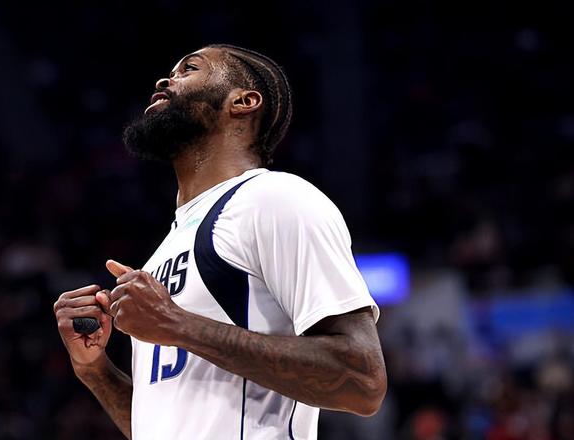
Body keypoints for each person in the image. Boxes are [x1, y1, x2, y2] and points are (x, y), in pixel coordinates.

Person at [53, 44, 386, 440]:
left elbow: (363, 381)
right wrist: (95, 370)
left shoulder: (274, 199)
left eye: (189, 69)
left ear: (243, 102)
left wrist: (176, 324)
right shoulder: (164, 252)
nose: (164, 80)